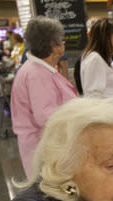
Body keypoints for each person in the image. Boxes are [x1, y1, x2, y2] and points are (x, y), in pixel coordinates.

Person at [10, 16, 78, 177]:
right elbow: (46, 117)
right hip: (45, 150)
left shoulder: (41, 69)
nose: (64, 44)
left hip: (48, 148)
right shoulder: (37, 74)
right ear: (53, 46)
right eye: (62, 40)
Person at [80, 19, 113, 100]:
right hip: (106, 110)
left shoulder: (99, 57)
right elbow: (94, 95)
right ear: (105, 39)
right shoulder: (95, 58)